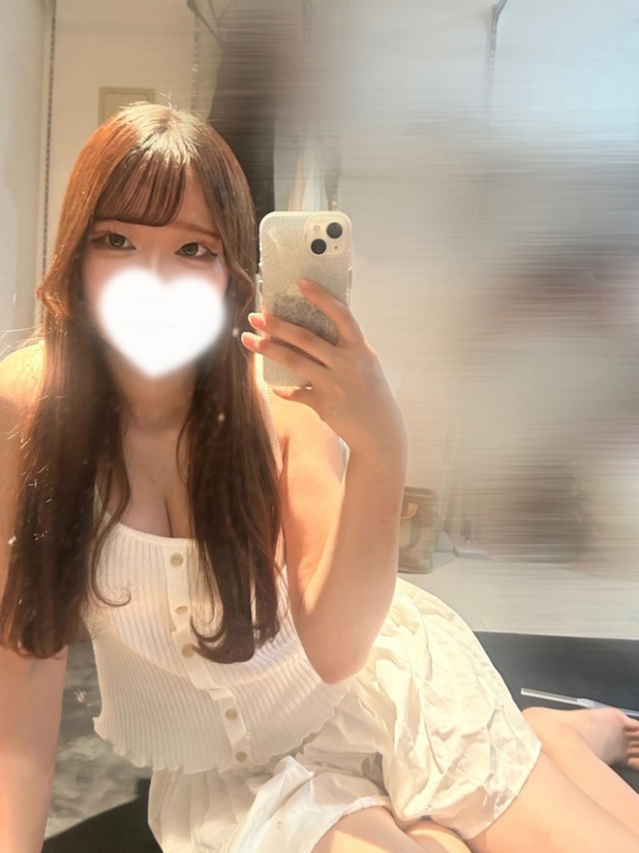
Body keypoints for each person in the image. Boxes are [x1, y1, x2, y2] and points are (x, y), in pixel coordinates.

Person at [1, 103, 639, 853]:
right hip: (235, 781)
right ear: (75, 252)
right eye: (117, 240)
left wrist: (379, 449)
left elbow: (337, 650)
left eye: (193, 250)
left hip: (391, 696)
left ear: (232, 273)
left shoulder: (279, 396)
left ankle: (553, 741)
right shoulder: (27, 408)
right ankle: (539, 749)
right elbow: (25, 661)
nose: (153, 280)